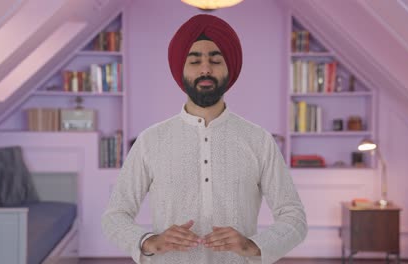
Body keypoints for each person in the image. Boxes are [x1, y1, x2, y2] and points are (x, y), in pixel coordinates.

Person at [102, 14, 307, 264]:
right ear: (182, 69)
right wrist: (148, 241)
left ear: (229, 68)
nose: (206, 69)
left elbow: (293, 216)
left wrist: (253, 245)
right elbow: (115, 216)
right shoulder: (151, 141)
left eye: (216, 60)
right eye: (195, 61)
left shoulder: (258, 140)